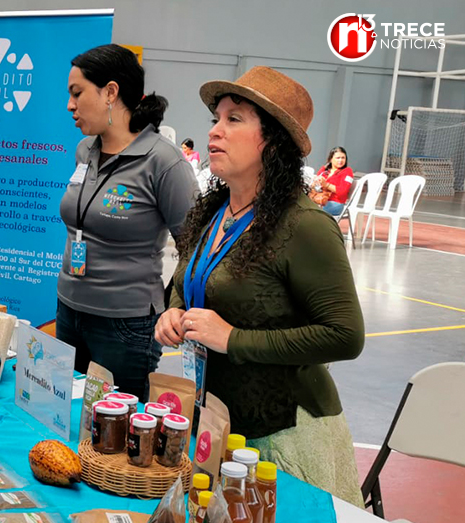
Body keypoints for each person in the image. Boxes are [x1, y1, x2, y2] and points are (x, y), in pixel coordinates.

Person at [154, 66, 364, 505]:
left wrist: (233, 338)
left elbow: (346, 336)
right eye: (216, 118)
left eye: (234, 119)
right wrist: (174, 309)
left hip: (284, 437)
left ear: (274, 141)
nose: (214, 130)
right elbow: (186, 279)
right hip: (219, 422)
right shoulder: (214, 212)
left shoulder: (304, 225)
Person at [57, 44, 198, 399]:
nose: (70, 105)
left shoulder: (164, 162)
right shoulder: (85, 151)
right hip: (69, 310)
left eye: (77, 93)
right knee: (67, 417)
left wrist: (174, 309)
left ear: (110, 92)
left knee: (115, 427)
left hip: (125, 326)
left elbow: (196, 246)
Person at [311, 146, 354, 216]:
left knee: (310, 211)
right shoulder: (324, 170)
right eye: (338, 158)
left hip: (335, 203)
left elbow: (342, 191)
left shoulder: (347, 171)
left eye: (343, 158)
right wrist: (315, 183)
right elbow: (314, 185)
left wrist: (326, 185)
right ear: (331, 159)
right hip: (318, 199)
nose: (340, 160)